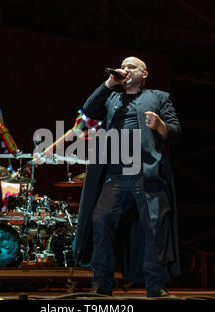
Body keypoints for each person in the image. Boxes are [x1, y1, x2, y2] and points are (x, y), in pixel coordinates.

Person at [74, 56, 182, 297]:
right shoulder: (112, 98)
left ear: (144, 75)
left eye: (132, 67)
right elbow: (88, 111)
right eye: (123, 66)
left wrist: (160, 125)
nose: (126, 69)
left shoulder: (159, 97)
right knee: (101, 220)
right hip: (117, 174)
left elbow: (175, 131)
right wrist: (108, 84)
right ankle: (102, 285)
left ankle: (156, 287)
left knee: (154, 227)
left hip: (146, 172)